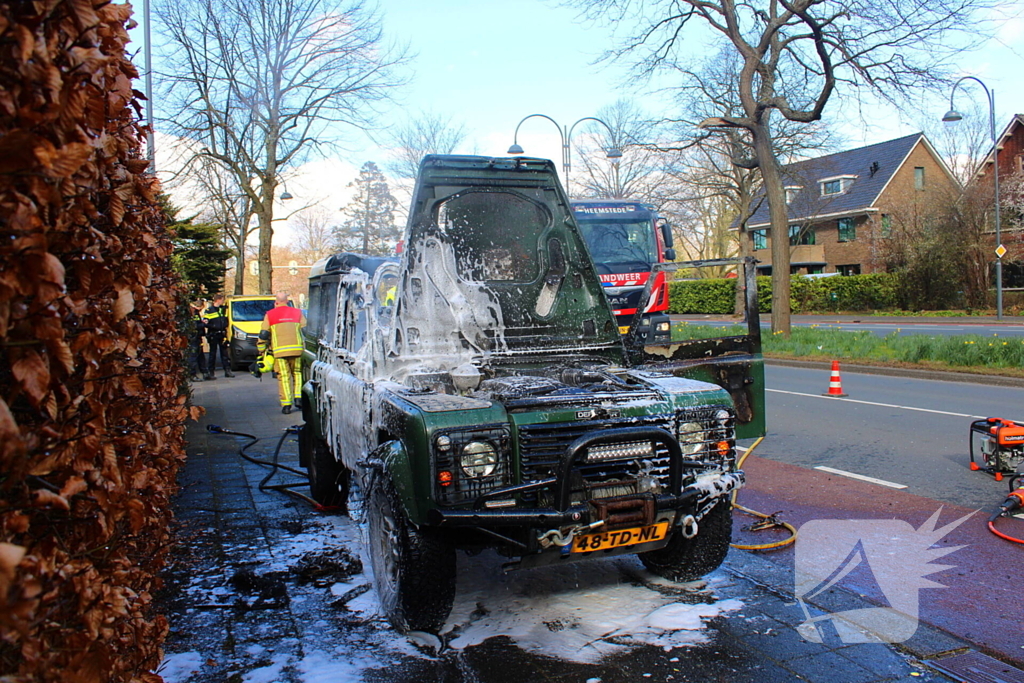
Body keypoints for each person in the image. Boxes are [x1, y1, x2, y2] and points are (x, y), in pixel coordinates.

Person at [258, 292, 306, 414]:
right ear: (287, 301)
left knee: (284, 377)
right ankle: (298, 398)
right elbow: (305, 329)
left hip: (280, 352)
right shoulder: (297, 312)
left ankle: (286, 405)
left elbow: (264, 333)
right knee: (297, 374)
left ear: (276, 302)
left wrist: (261, 349)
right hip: (297, 350)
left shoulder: (270, 314)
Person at [202, 294, 234, 379]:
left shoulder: (223, 309)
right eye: (222, 300)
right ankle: (211, 372)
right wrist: (214, 327)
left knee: (224, 353)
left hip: (222, 334)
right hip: (213, 334)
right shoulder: (209, 310)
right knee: (212, 354)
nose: (223, 301)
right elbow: (206, 323)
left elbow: (226, 320)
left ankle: (227, 371)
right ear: (218, 300)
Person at [189, 299, 208, 381]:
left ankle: (205, 373)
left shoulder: (196, 313)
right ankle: (192, 375)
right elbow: (193, 325)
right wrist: (203, 324)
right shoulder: (190, 312)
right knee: (193, 357)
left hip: (197, 337)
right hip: (193, 338)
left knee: (201, 356)